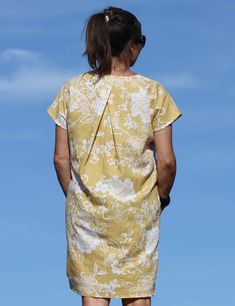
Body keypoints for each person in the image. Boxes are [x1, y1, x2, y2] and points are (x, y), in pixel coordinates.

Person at [46, 6, 182, 306]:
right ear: (132, 44)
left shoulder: (71, 91)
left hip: (86, 210)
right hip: (138, 211)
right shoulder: (153, 92)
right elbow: (168, 161)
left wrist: (75, 197)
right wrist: (160, 198)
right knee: (137, 293)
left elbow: (60, 158)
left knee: (93, 293)